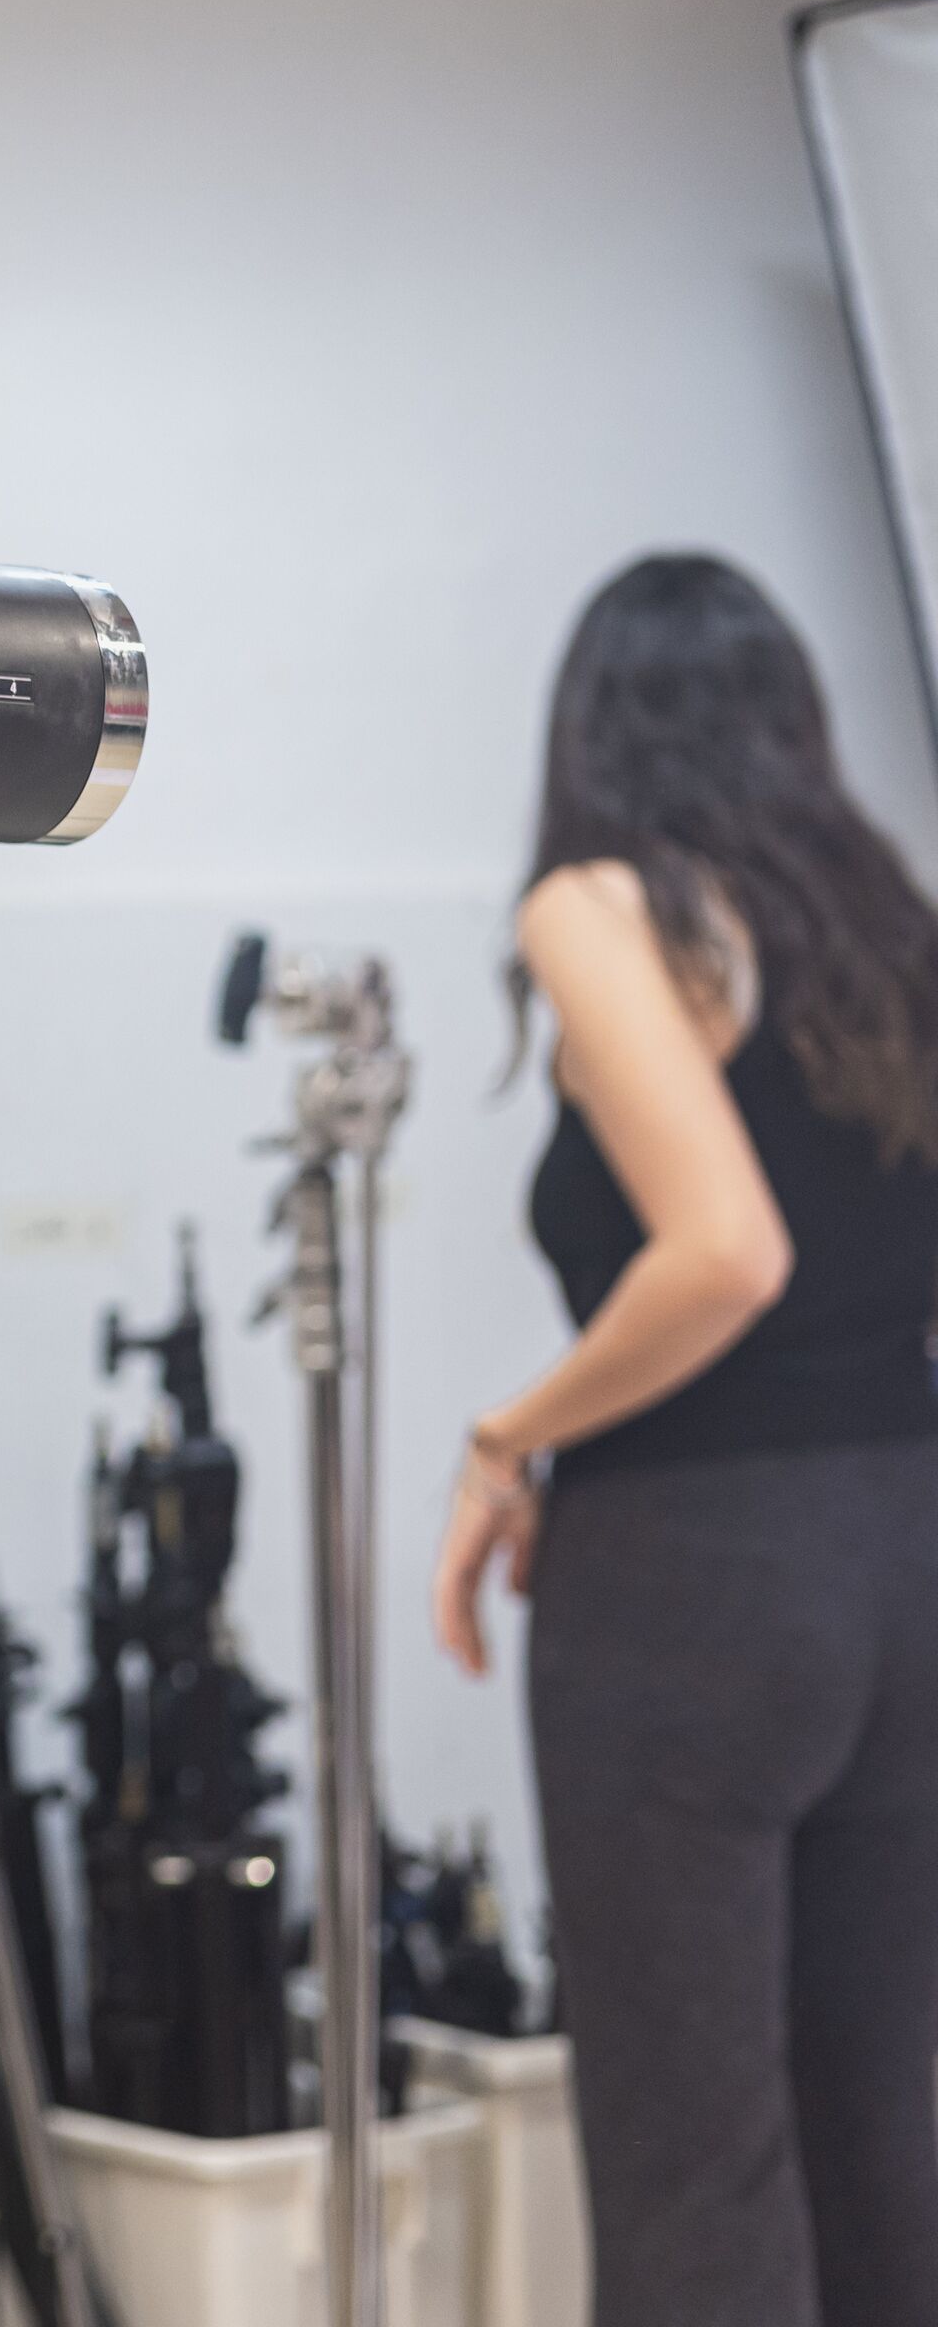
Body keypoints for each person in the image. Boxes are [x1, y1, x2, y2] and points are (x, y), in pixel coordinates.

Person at [432, 554, 938, 2327]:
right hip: (904, 1560)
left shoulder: (603, 900)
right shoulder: (880, 920)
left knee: (695, 2161)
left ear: (595, 731)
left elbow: (725, 1250)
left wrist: (509, 1438)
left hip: (702, 1593)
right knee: (893, 2148)